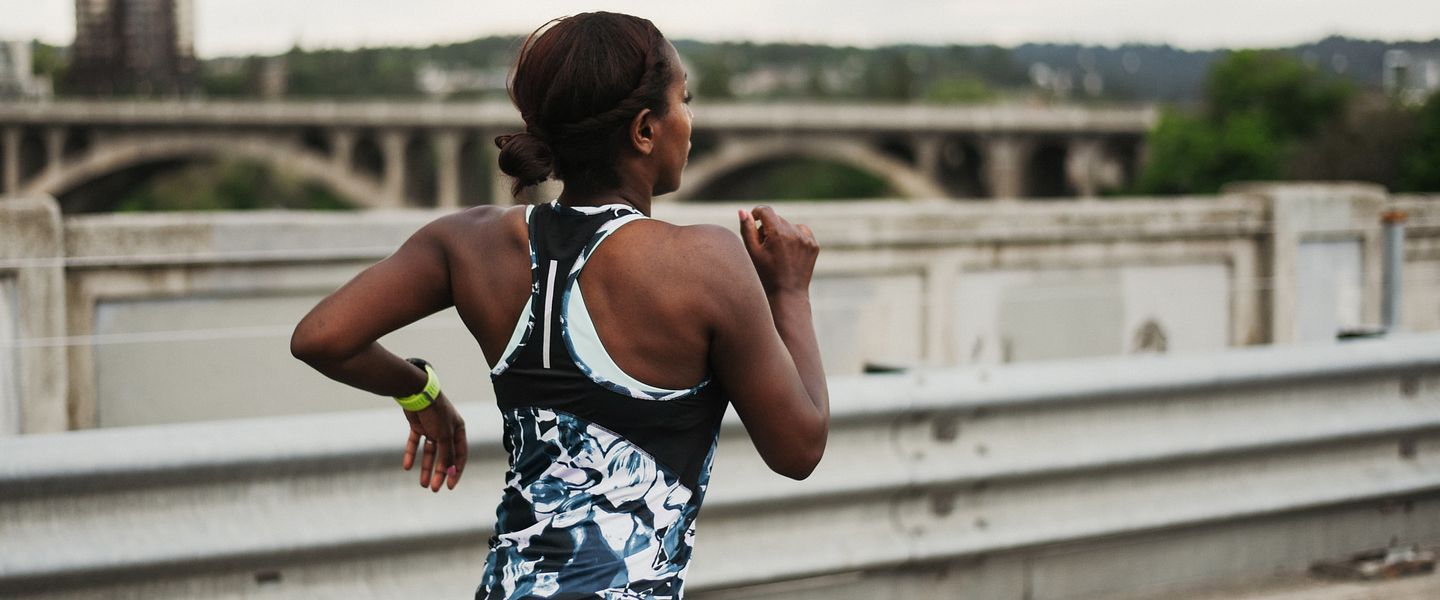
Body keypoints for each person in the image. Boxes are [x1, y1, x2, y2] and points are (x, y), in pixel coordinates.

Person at [290, 11, 829, 600]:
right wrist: (789, 292)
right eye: (684, 100)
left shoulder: (468, 244)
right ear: (645, 130)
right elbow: (798, 450)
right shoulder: (704, 263)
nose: (690, 121)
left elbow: (321, 336)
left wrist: (420, 391)